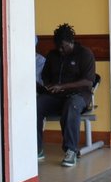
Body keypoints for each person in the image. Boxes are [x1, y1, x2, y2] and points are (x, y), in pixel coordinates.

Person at [36, 23, 95, 168]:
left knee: (71, 104)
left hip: (79, 96)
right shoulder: (52, 55)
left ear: (71, 42)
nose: (61, 50)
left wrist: (62, 86)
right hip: (56, 96)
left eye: (64, 47)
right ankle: (36, 149)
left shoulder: (85, 54)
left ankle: (70, 150)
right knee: (36, 105)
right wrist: (49, 86)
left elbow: (88, 81)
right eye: (58, 47)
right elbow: (45, 76)